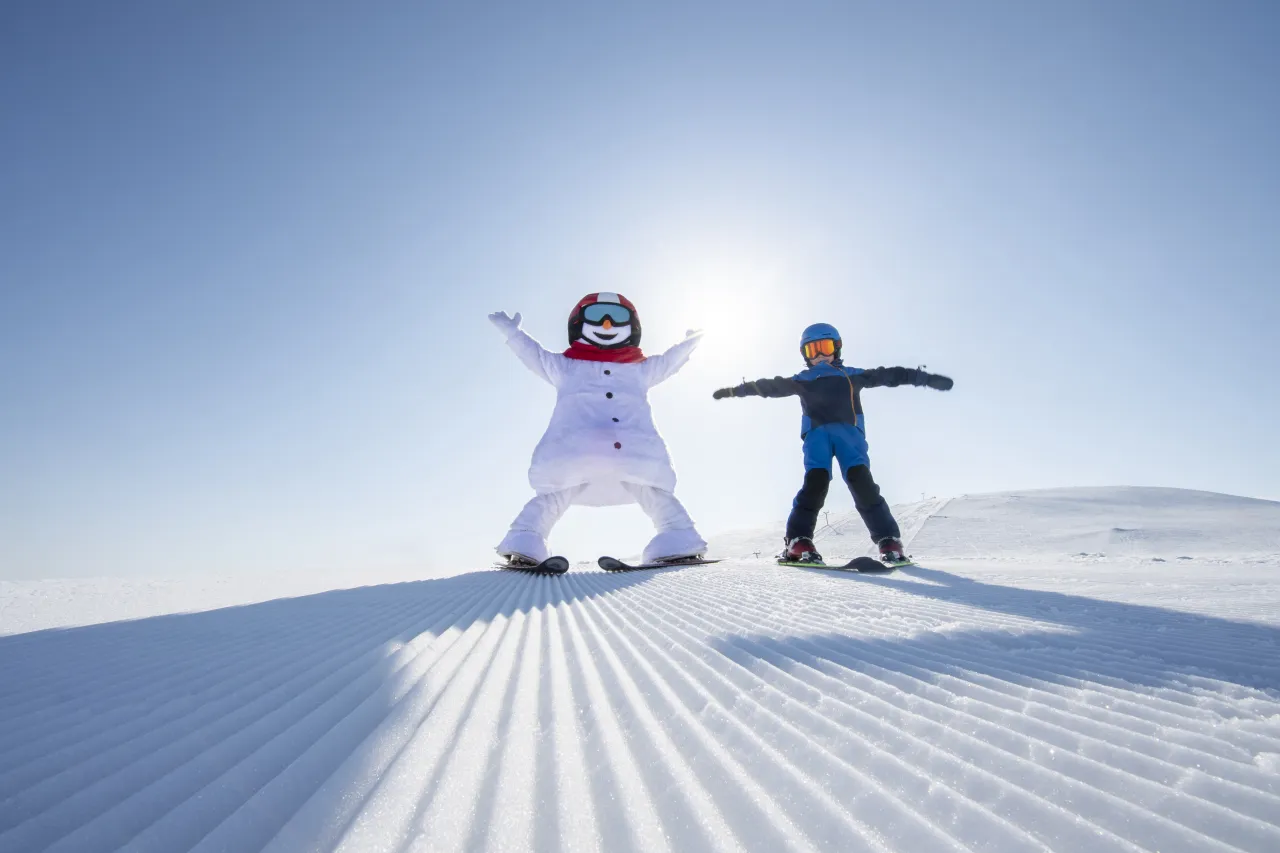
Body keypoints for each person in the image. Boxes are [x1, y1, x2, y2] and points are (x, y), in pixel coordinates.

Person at [489, 292, 707, 566]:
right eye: (596, 316)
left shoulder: (639, 370)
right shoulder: (566, 367)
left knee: (641, 493)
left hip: (614, 455)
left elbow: (668, 361)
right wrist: (512, 333)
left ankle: (678, 539)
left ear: (632, 327)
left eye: (617, 317)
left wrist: (689, 344)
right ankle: (526, 541)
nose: (606, 325)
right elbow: (535, 356)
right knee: (560, 494)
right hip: (591, 455)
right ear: (579, 322)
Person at [712, 322, 953, 565]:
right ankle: (799, 541)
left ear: (836, 348)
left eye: (824, 347)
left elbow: (889, 375)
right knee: (815, 483)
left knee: (862, 482)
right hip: (818, 436)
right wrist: (735, 390)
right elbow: (769, 386)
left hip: (848, 435)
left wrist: (924, 378)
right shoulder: (802, 379)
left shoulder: (852, 375)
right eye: (811, 350)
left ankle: (888, 540)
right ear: (805, 355)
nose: (818, 356)